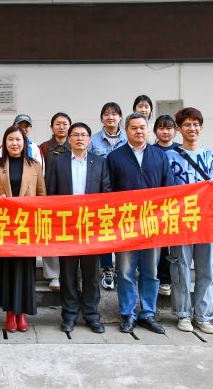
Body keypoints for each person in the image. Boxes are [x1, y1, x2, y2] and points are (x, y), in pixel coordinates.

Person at [107, 113, 174, 335]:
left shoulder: (159, 156)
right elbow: (108, 192)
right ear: (126, 130)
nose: (138, 131)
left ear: (148, 130)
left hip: (152, 224)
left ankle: (148, 313)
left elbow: (169, 189)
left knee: (151, 271)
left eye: (142, 127)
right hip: (125, 225)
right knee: (125, 271)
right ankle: (127, 313)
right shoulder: (115, 157)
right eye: (134, 128)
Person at [166, 107, 213, 335]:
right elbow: (164, 187)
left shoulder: (210, 157)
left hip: (206, 221)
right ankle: (183, 314)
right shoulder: (169, 157)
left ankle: (203, 315)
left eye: (195, 124)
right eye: (187, 125)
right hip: (180, 221)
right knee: (180, 268)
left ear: (201, 128)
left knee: (206, 269)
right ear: (179, 129)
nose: (192, 128)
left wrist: (211, 187)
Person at [46, 122, 110, 334]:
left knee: (91, 273)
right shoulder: (58, 162)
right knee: (68, 273)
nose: (79, 138)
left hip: (91, 227)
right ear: (69, 139)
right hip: (67, 226)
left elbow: (106, 193)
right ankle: (69, 314)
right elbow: (51, 193)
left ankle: (92, 314)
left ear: (90, 139)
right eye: (75, 135)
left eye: (83, 135)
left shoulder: (100, 162)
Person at [0, 125, 45, 333]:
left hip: (26, 226)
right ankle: (9, 313)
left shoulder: (34, 165)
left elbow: (42, 196)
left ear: (24, 143)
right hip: (4, 226)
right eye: (10, 139)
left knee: (25, 269)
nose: (14, 143)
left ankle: (22, 313)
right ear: (5, 142)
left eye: (18, 139)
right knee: (6, 269)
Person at [89, 102, 127, 292]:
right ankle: (107, 269)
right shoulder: (93, 140)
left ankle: (122, 268)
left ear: (120, 117)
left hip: (124, 192)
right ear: (102, 118)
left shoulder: (129, 137)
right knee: (105, 231)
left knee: (123, 231)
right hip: (101, 192)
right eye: (106, 114)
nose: (110, 117)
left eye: (114, 114)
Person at [38, 112, 72, 292]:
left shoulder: (74, 145)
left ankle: (69, 273)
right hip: (48, 197)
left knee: (68, 236)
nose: (61, 127)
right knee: (49, 236)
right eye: (58, 124)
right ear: (51, 127)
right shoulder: (43, 148)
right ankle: (53, 275)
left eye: (65, 124)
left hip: (68, 199)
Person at [150, 114, 181, 297]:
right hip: (157, 206)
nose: (165, 132)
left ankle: (177, 278)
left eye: (169, 128)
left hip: (179, 204)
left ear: (175, 130)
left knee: (177, 244)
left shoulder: (182, 150)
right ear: (155, 131)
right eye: (161, 128)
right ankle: (164, 279)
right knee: (160, 246)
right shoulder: (150, 151)